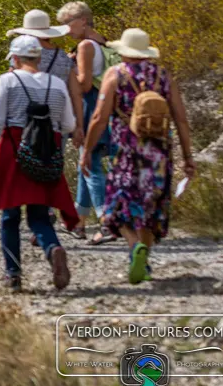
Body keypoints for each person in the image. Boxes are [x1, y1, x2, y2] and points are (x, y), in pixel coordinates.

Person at [83, 28, 196, 285]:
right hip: (159, 153)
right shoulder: (163, 76)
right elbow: (180, 118)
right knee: (150, 206)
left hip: (126, 151)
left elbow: (100, 117)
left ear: (124, 51)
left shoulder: (116, 74)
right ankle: (143, 261)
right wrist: (188, 156)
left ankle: (134, 246)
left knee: (117, 205)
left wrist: (87, 150)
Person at [0, 35, 81, 291]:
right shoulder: (57, 84)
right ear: (38, 57)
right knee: (39, 215)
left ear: (15, 58)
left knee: (10, 215)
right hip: (45, 153)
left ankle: (13, 274)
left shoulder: (8, 80)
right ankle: (53, 248)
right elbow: (68, 125)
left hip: (14, 149)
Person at [58, 1, 115, 243]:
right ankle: (78, 222)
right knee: (86, 165)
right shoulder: (104, 42)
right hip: (110, 110)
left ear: (82, 21)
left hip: (92, 110)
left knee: (90, 165)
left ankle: (107, 220)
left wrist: (70, 69)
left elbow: (83, 85)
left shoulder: (84, 47)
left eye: (67, 24)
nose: (65, 30)